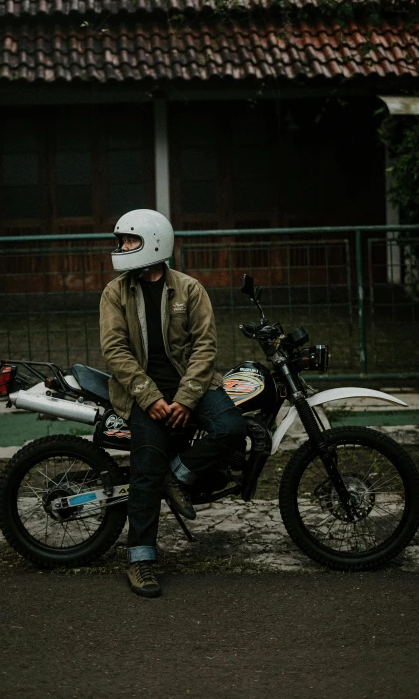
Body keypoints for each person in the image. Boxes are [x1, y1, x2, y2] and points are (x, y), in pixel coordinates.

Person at [100, 209, 247, 598]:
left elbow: (205, 348)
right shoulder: (115, 293)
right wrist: (150, 398)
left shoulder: (189, 289)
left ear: (154, 241)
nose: (122, 248)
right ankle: (141, 560)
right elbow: (114, 350)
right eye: (122, 241)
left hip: (193, 388)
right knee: (145, 471)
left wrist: (185, 398)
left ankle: (178, 475)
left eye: (130, 241)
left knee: (233, 429)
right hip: (141, 396)